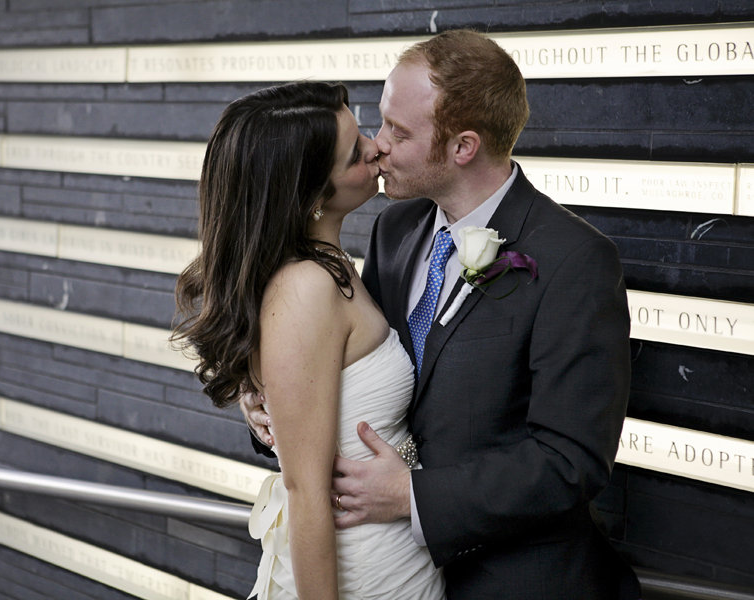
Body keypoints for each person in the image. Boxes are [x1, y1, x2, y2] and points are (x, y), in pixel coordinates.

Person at [244, 30, 641, 599]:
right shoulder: (394, 231)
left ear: (463, 147)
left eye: (399, 133)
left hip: (511, 582)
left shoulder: (575, 260)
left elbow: (570, 461)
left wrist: (411, 495)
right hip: (385, 571)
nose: (378, 146)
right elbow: (354, 376)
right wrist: (269, 410)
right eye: (379, 122)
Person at [172, 81, 445, 599]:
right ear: (310, 197)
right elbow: (305, 491)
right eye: (353, 154)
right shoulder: (305, 287)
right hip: (358, 569)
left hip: (396, 549)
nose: (375, 147)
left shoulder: (334, 264)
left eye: (361, 130)